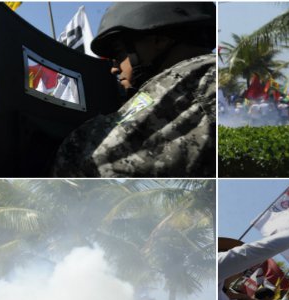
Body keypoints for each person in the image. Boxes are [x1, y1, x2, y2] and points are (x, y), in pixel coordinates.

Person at [52, 2, 216, 177]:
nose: (114, 68)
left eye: (118, 53)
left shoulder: (201, 76)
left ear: (158, 40)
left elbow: (99, 161)